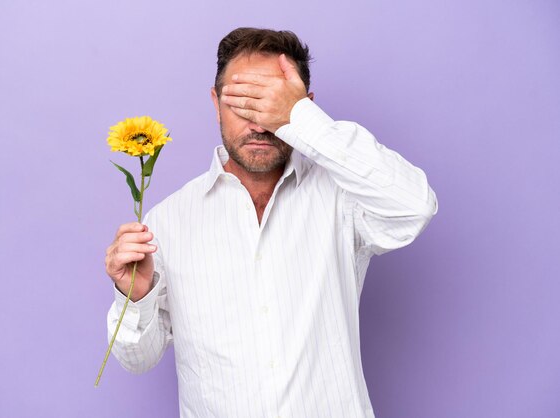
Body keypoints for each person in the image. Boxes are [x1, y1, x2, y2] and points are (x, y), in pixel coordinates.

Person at [103, 27, 438, 418]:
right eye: (243, 103)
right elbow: (136, 359)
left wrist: (300, 119)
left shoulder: (342, 196)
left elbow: (414, 208)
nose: (259, 123)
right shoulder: (168, 221)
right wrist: (134, 296)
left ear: (303, 105)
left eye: (271, 104)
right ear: (215, 103)